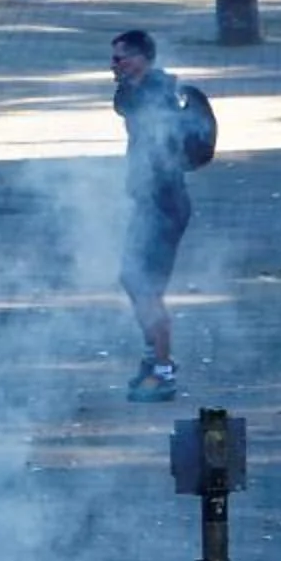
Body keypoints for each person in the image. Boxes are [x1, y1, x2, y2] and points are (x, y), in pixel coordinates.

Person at [109, 27, 190, 399]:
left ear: (141, 58)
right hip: (149, 201)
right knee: (131, 278)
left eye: (120, 57)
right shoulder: (136, 91)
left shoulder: (158, 94)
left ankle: (163, 370)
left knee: (147, 287)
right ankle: (151, 355)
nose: (113, 65)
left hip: (163, 204)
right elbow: (122, 104)